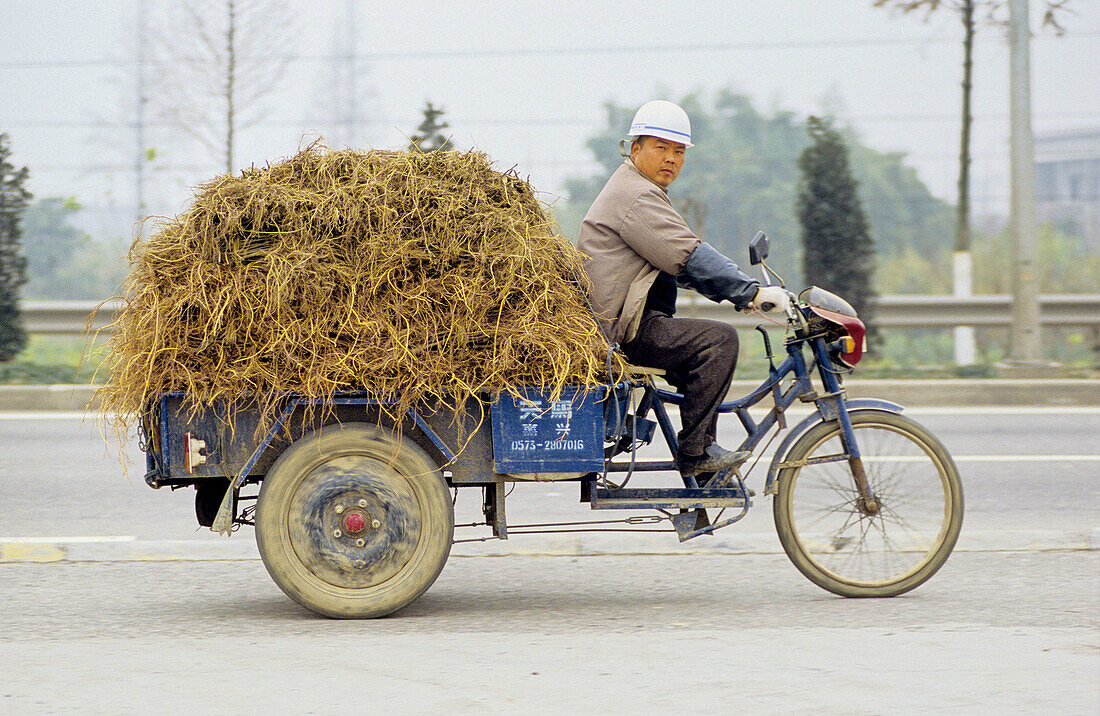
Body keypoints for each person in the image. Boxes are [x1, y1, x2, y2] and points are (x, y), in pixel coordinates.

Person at [576, 100, 788, 483]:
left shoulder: (638, 190)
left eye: (678, 151)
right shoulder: (636, 196)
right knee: (717, 342)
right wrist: (749, 292)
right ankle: (697, 455)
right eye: (661, 147)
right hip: (623, 330)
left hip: (630, 321)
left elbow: (678, 261)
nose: (671, 158)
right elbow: (687, 254)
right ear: (635, 149)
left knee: (700, 341)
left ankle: (701, 469)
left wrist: (733, 292)